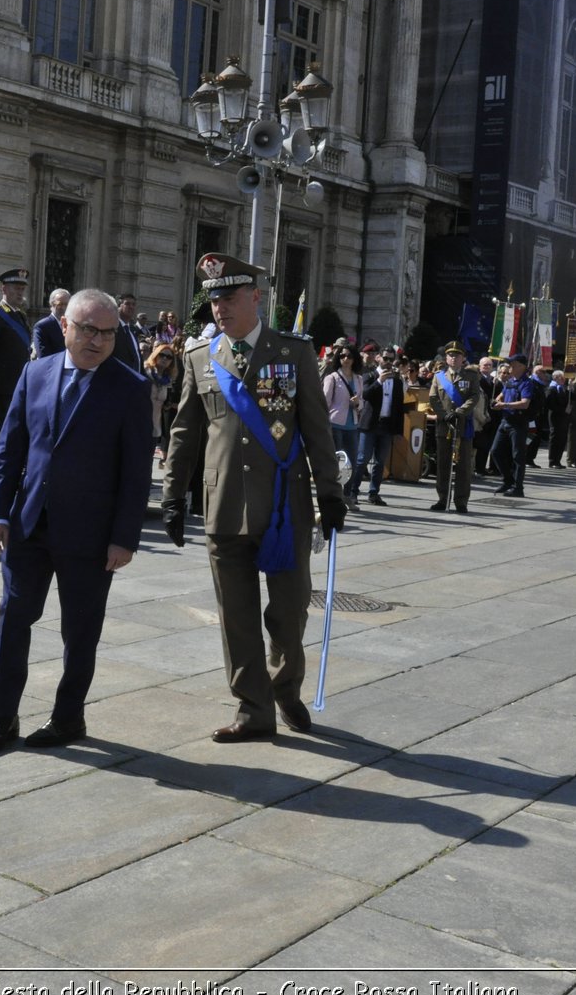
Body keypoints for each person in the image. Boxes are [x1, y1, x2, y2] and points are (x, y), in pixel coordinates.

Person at [161, 253, 344, 743]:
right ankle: (253, 708)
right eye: (213, 299)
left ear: (255, 298)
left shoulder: (294, 352)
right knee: (236, 617)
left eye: (229, 297)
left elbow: (316, 430)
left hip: (285, 508)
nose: (219, 308)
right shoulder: (200, 357)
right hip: (224, 506)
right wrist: (173, 495)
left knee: (289, 613)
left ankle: (285, 688)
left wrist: (330, 493)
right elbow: (185, 433)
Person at [0, 289, 154, 753]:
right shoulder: (35, 373)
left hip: (92, 537)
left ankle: (67, 717)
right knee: (13, 619)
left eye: (108, 333)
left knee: (79, 631)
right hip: (29, 525)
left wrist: (124, 539)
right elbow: (9, 448)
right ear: (64, 327)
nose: (97, 340)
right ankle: (3, 717)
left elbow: (137, 473)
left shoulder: (130, 387)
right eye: (88, 330)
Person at [0, 267, 32, 479]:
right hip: (0, 386)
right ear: (4, 289)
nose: (20, 292)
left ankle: (7, 471)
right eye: (15, 288)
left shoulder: (20, 316)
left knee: (12, 432)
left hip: (17, 384)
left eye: (22, 288)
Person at [427, 342, 481, 513]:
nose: (453, 358)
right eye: (450, 355)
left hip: (463, 425)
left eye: (457, 355)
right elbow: (434, 398)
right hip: (445, 426)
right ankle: (443, 498)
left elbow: (474, 397)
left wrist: (459, 412)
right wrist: (444, 415)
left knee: (464, 465)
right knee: (443, 464)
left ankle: (461, 500)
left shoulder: (471, 376)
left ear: (463, 358)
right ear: (446, 358)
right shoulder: (439, 376)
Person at [355, 349, 406, 506]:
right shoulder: (370, 375)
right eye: (385, 358)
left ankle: (374, 493)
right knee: (362, 459)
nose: (388, 361)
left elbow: (398, 406)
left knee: (380, 461)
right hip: (370, 424)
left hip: (386, 425)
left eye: (391, 359)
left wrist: (398, 430)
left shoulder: (397, 381)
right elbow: (366, 395)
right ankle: (352, 491)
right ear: (379, 359)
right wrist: (379, 382)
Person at [489, 353, 534, 497]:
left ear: (521, 366)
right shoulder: (510, 380)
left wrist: (505, 405)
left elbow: (525, 403)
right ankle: (507, 480)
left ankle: (518, 488)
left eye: (513, 365)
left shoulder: (526, 383)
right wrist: (497, 401)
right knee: (495, 451)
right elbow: (502, 394)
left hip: (518, 423)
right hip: (505, 421)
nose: (510, 367)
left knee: (518, 456)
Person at [322, 344, 362, 505]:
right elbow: (324, 402)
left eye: (349, 356)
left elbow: (362, 403)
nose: (345, 359)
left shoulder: (358, 379)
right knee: (337, 462)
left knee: (352, 462)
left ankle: (347, 495)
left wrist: (358, 403)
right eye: (342, 356)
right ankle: (334, 495)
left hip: (352, 425)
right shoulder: (332, 377)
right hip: (335, 424)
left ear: (354, 359)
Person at [144, 343, 176, 462]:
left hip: (155, 427)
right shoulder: (145, 372)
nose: (164, 358)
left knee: (147, 462)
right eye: (162, 355)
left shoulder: (168, 380)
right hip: (139, 423)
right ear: (156, 355)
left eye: (169, 357)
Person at [32, 286, 70, 359]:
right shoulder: (42, 326)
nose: (64, 307)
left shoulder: (72, 325)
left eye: (66, 304)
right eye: (60, 304)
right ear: (51, 304)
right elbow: (43, 357)